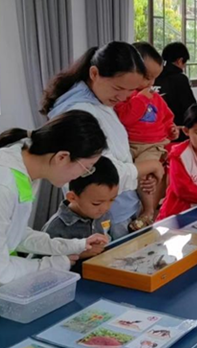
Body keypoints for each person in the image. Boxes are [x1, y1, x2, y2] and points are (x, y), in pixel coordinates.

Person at [0, 111, 109, 304]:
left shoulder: (20, 173)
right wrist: (53, 265)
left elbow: (12, 233)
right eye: (87, 167)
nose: (83, 175)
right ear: (62, 157)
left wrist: (73, 245)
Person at [42, 42, 163, 239]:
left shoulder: (99, 100)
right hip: (107, 215)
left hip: (118, 207)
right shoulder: (79, 110)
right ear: (94, 73)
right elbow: (100, 173)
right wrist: (149, 166)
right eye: (118, 88)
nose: (123, 97)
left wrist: (139, 173)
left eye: (131, 90)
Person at [114, 43, 178, 226]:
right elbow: (125, 118)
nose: (151, 83)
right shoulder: (126, 96)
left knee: (146, 176)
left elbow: (167, 118)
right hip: (128, 144)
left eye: (154, 78)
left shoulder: (155, 98)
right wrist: (141, 98)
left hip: (151, 145)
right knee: (126, 177)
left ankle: (148, 211)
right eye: (147, 77)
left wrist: (171, 130)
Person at [42, 157, 118, 258]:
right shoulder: (56, 226)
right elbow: (39, 261)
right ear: (72, 198)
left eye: (112, 200)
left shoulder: (103, 214)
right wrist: (79, 254)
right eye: (96, 203)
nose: (105, 208)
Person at [155, 42, 197, 142]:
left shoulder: (154, 76)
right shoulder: (180, 78)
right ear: (180, 60)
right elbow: (190, 107)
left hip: (157, 131)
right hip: (178, 132)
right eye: (184, 63)